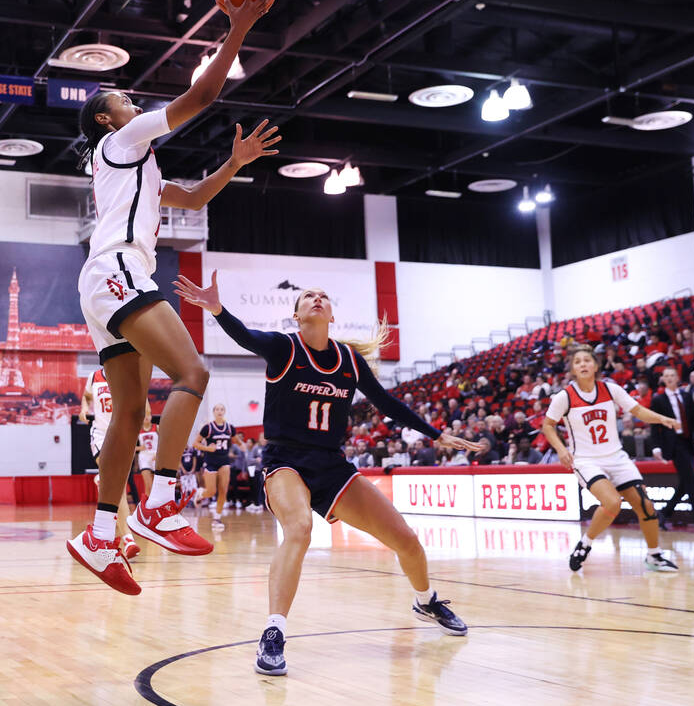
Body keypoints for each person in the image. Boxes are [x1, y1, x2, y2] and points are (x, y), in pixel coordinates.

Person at [66, 0, 278, 595]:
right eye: (123, 99)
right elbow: (203, 96)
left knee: (131, 412)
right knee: (194, 373)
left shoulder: (139, 168)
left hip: (103, 280)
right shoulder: (121, 142)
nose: (132, 101)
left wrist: (233, 163)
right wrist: (236, 26)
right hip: (116, 270)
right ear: (107, 119)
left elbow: (191, 197)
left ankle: (101, 532)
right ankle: (160, 502)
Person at [174, 274, 479, 676]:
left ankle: (426, 599)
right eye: (307, 297)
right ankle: (273, 631)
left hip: (332, 466)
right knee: (299, 528)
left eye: (323, 296)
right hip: (286, 459)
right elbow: (245, 337)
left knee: (406, 540)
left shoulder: (349, 359)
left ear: (331, 314)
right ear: (297, 314)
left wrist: (437, 434)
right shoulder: (284, 348)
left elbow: (386, 402)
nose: (316, 298)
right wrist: (216, 309)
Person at [541, 345, 680, 573]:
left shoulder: (610, 389)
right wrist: (560, 449)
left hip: (617, 457)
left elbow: (637, 411)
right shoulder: (564, 397)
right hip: (586, 460)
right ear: (573, 370)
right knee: (613, 502)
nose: (583, 364)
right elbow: (547, 425)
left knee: (645, 506)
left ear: (595, 366)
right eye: (578, 362)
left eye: (587, 360)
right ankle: (585, 544)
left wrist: (662, 419)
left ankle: (654, 555)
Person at [81, 369, 139, 560]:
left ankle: (102, 478)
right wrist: (83, 408)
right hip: (100, 434)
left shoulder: (125, 373)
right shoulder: (94, 376)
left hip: (121, 434)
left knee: (119, 488)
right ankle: (129, 539)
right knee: (116, 483)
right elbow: (87, 396)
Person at [652, 367, 694, 533]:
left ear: (677, 377)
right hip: (674, 444)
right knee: (691, 481)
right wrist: (656, 447)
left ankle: (663, 514)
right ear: (663, 379)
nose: (670, 378)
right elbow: (654, 425)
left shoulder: (686, 396)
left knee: (686, 483)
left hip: (688, 442)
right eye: (666, 376)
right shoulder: (658, 400)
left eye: (672, 375)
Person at [194, 403, 236, 530]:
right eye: (217, 409)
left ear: (224, 412)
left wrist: (242, 445)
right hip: (210, 461)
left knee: (223, 490)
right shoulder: (207, 428)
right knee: (212, 491)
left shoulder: (230, 428)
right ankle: (201, 493)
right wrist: (207, 448)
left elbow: (234, 440)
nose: (220, 411)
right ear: (213, 412)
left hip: (224, 461)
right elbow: (195, 444)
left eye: (222, 409)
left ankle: (217, 518)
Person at [136, 405, 158, 502]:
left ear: (151, 417)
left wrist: (159, 453)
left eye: (148, 415)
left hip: (155, 456)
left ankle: (153, 505)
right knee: (148, 485)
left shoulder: (156, 427)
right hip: (144, 457)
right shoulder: (137, 429)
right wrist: (139, 447)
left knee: (155, 486)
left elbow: (165, 441)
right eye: (145, 415)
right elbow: (129, 446)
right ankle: (147, 507)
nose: (147, 417)